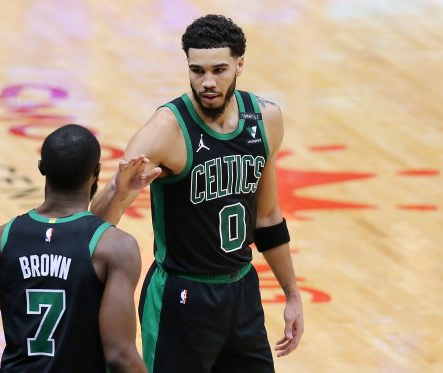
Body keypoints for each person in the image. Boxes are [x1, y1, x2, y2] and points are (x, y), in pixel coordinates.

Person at [90, 14, 304, 373]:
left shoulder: (265, 119)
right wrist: (116, 191)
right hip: (181, 296)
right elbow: (95, 227)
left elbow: (267, 218)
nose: (207, 82)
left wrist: (292, 295)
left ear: (240, 65)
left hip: (241, 291)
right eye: (197, 70)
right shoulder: (164, 131)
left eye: (219, 70)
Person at [0, 124, 147, 373]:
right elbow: (120, 356)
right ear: (97, 171)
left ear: (41, 168)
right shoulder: (116, 247)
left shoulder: (2, 240)